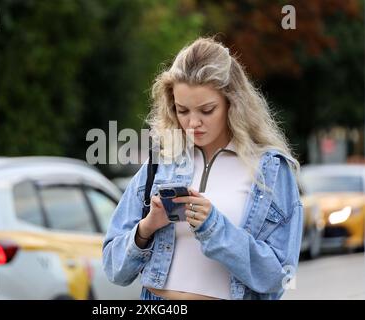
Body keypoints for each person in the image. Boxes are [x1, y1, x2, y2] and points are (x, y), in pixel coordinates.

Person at [102, 37, 303, 300]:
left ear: (233, 103)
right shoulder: (161, 161)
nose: (193, 123)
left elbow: (278, 276)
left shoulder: (271, 169)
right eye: (182, 110)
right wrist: (147, 227)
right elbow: (113, 268)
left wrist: (215, 228)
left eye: (207, 110)